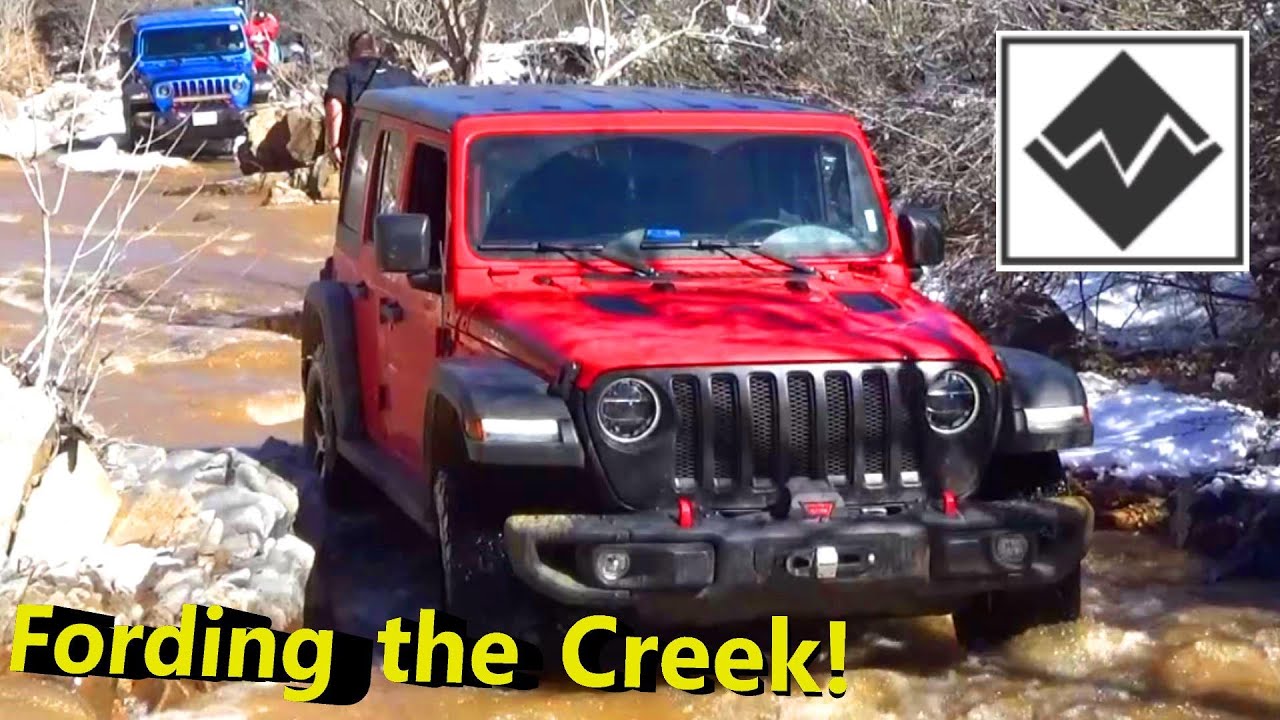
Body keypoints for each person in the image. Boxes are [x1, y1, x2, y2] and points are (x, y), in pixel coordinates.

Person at [324, 31, 420, 166]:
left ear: (350, 53)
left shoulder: (343, 74)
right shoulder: (403, 75)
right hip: (398, 152)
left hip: (361, 152)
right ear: (376, 49)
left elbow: (334, 105)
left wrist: (333, 145)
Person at [246, 9, 281, 74]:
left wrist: (269, 15)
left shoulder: (267, 25)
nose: (260, 18)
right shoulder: (252, 25)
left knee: (271, 48)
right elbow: (248, 31)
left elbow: (274, 26)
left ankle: (269, 68)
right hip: (256, 55)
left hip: (266, 54)